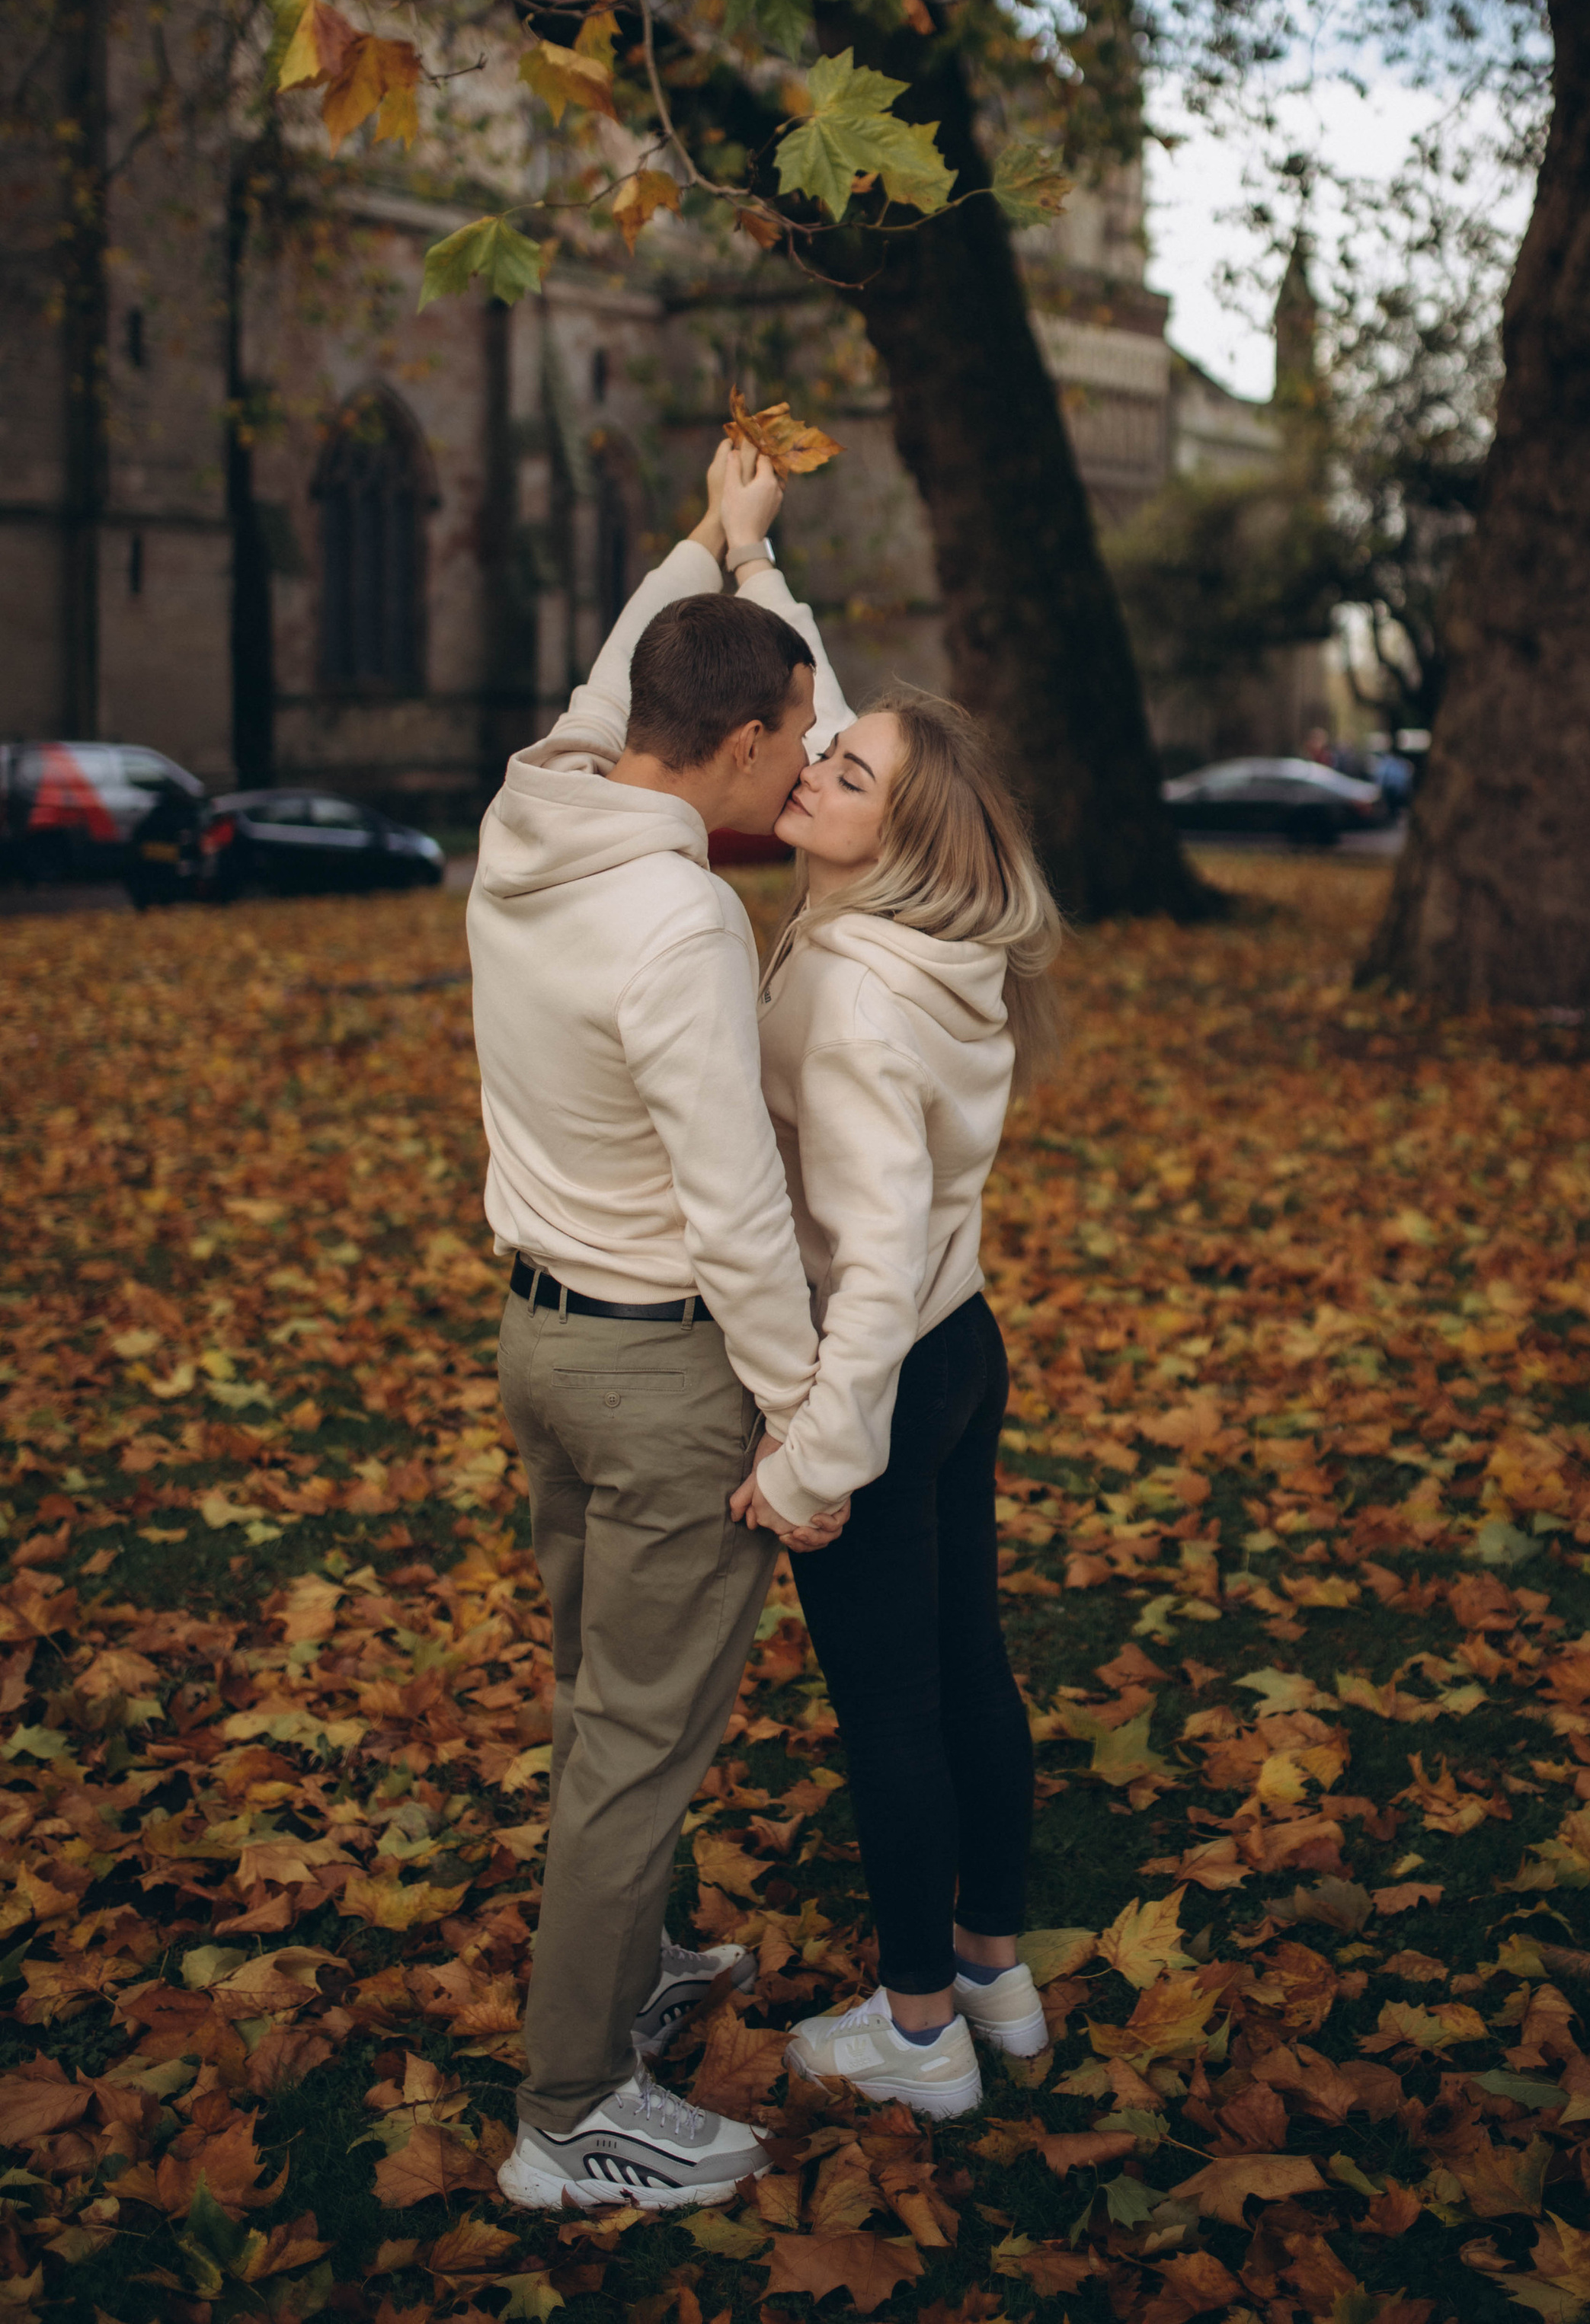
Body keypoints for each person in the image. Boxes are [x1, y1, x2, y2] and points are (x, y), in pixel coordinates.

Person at [469, 448, 852, 2215]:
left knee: (594, 1707)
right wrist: (798, 1420)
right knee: (636, 1740)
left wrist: (718, 545)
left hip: (538, 1348)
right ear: (756, 741)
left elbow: (605, 681)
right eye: (794, 735)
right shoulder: (680, 912)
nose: (803, 763)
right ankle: (570, 2114)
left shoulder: (530, 814)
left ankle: (636, 1961)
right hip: (653, 1370)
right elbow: (734, 1204)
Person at [680, 483, 1067, 2121]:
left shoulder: (849, 993)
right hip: (963, 1348)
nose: (808, 761)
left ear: (887, 830)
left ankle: (916, 2033)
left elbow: (874, 1256)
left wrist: (814, 1461)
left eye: (842, 773)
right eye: (813, 752)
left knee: (893, 1712)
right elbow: (844, 720)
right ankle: (990, 1967)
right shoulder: (924, 931)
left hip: (894, 1364)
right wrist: (747, 555)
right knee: (968, 1669)